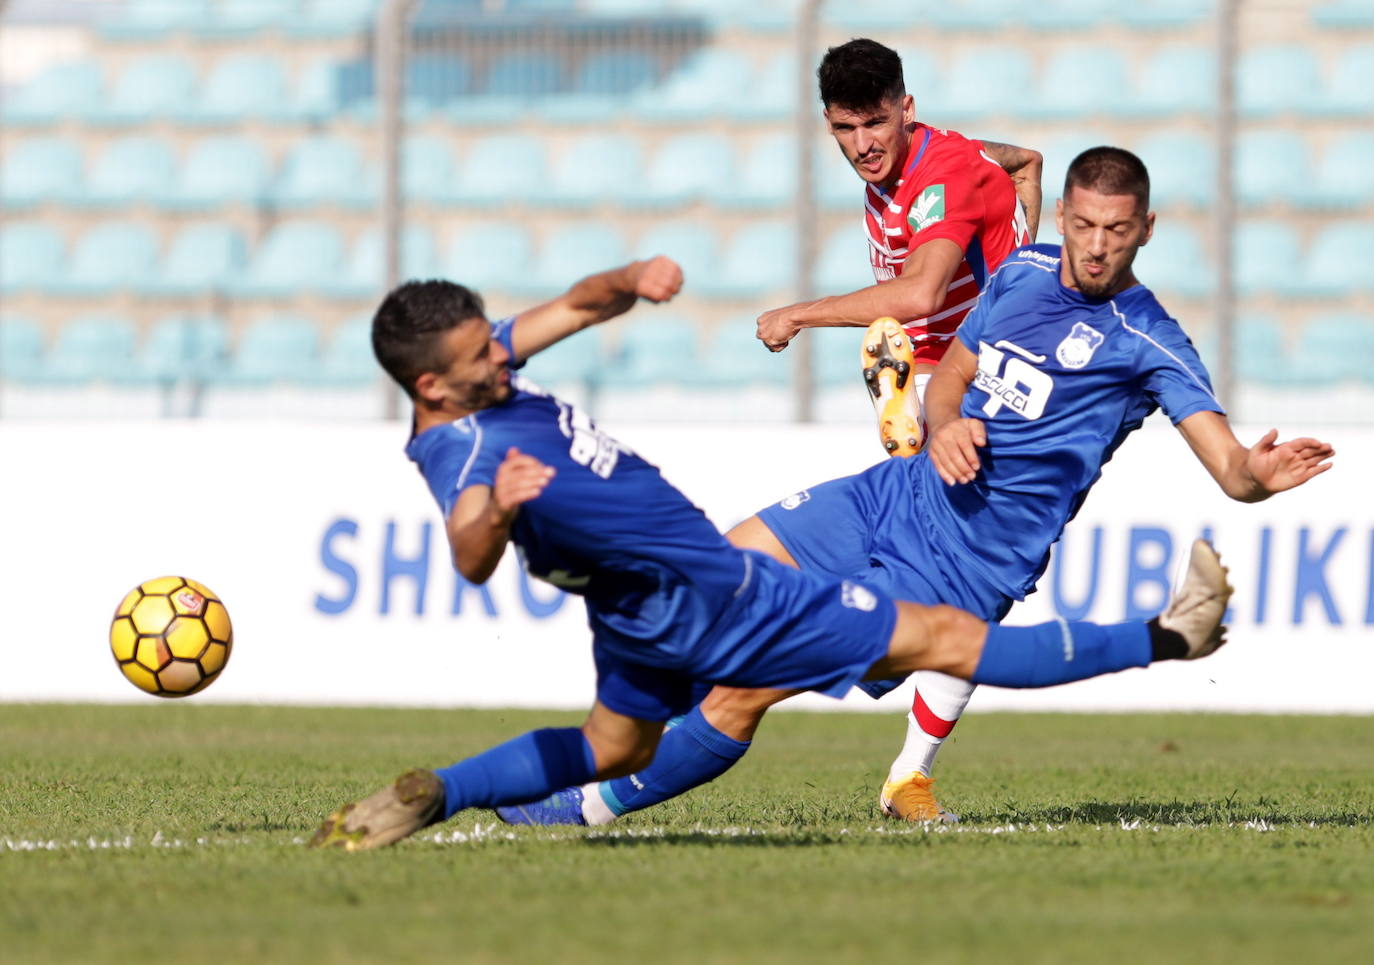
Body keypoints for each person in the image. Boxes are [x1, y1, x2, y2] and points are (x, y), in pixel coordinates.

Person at [496, 147, 1334, 830]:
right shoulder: (1022, 272)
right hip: (891, 493)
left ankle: (589, 808)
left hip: (955, 569)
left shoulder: (1148, 340)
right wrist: (945, 422)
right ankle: (604, 752)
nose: (1094, 245)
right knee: (706, 579)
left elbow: (1229, 467)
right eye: (1082, 223)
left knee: (746, 686)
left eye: (1115, 230)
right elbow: (952, 376)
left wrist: (1260, 475)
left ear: (1145, 229)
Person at [308, 252, 1238, 851]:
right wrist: (500, 514)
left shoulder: (477, 377)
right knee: (950, 644)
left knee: (610, 742)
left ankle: (444, 792)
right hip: (717, 593)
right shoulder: (461, 451)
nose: (505, 359)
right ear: (433, 384)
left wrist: (627, 284)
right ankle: (1168, 636)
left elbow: (568, 308)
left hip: (636, 611)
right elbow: (468, 549)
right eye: (482, 359)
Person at [751, 37, 1040, 820]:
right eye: (844, 129)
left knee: (964, 597)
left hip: (993, 398)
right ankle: (906, 765)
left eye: (874, 124)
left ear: (906, 109)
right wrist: (1024, 253)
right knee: (961, 596)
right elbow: (1025, 162)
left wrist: (796, 314)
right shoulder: (916, 163)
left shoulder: (941, 171)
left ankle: (904, 761)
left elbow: (914, 295)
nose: (861, 145)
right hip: (950, 382)